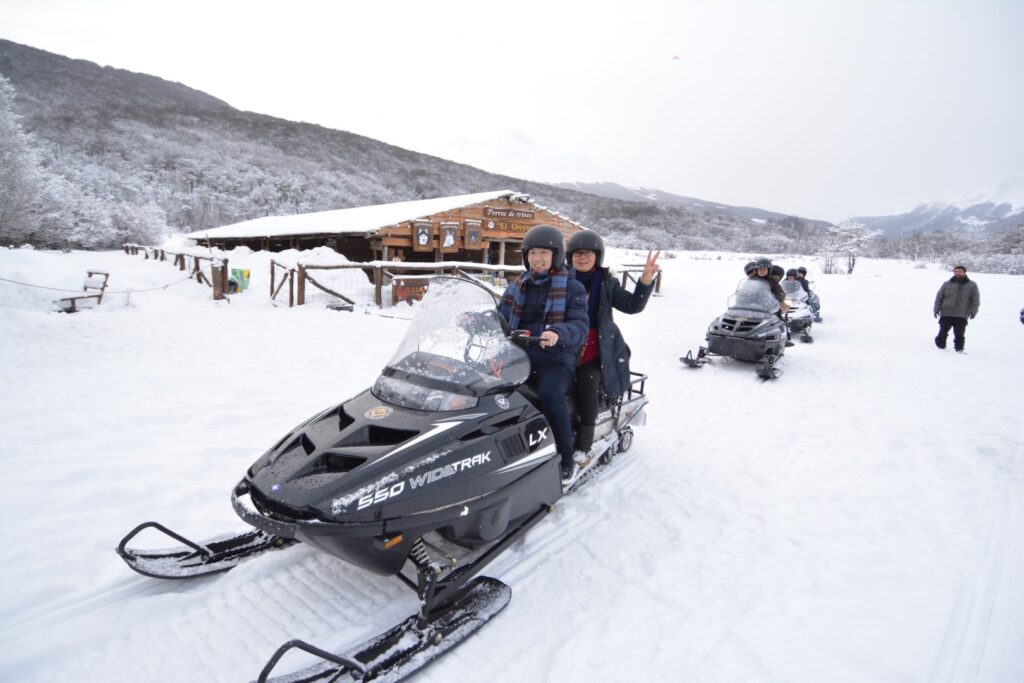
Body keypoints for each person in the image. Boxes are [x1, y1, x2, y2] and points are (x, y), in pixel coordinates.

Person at [499, 225, 589, 480]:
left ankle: (565, 456)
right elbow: (500, 316)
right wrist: (473, 319)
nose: (537, 259)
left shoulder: (573, 289)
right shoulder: (517, 286)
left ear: (557, 255)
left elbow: (580, 326)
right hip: (518, 356)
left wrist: (559, 333)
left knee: (550, 396)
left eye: (544, 253)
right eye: (532, 253)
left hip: (556, 360)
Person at [566, 231, 659, 467]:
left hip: (598, 351)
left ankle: (584, 446)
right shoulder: (562, 279)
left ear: (598, 256)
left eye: (588, 253)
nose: (582, 257)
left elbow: (633, 305)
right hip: (566, 345)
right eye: (577, 253)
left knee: (587, 382)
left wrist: (646, 280)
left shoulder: (607, 283)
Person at [933, 265, 980, 353]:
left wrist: (974, 311)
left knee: (959, 333)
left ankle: (959, 349)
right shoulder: (946, 284)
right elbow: (939, 297)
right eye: (956, 271)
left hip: (961, 314)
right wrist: (936, 309)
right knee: (943, 331)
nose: (957, 273)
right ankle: (940, 347)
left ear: (964, 272)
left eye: (960, 271)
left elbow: (975, 300)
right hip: (946, 312)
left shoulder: (972, 285)